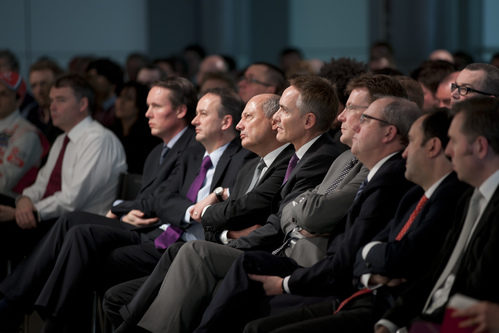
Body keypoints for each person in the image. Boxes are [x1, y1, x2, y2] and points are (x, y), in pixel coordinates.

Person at [130, 75, 374, 333]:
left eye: (284, 110)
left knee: (194, 253)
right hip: (272, 247)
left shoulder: (321, 156)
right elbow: (286, 213)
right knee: (179, 258)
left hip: (292, 257)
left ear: (308, 121)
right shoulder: (287, 159)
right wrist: (230, 228)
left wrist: (242, 231)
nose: (276, 118)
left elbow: (302, 215)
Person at [0, 88, 251, 332]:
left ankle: (43, 315)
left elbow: (221, 205)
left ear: (226, 121)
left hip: (183, 242)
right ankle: (48, 316)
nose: (194, 120)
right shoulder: (191, 155)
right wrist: (191, 211)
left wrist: (194, 210)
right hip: (160, 232)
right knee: (79, 234)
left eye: (203, 114)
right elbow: (161, 196)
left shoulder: (241, 159)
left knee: (83, 245)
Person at [194, 96, 421, 333]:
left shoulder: (384, 175)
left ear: (388, 133)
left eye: (362, 116)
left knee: (253, 318)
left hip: (342, 283)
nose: (344, 118)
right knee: (240, 268)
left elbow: (316, 218)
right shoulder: (349, 160)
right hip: (317, 265)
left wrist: (285, 283)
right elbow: (293, 210)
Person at [244, 109, 468, 333]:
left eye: (363, 117)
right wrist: (371, 268)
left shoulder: (400, 181)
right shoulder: (411, 193)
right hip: (357, 289)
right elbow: (369, 250)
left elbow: (393, 255)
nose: (405, 152)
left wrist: (368, 258)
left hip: (370, 299)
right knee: (253, 317)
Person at [103, 93, 294, 328]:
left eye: (248, 116)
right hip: (197, 244)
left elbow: (244, 210)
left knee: (183, 252)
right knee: (117, 294)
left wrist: (205, 214)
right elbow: (163, 197)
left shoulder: (274, 162)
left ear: (274, 122)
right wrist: (221, 219)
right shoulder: (250, 165)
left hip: (246, 255)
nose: (239, 124)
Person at [376, 97, 499, 333]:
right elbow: (438, 273)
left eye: (453, 141)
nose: (449, 151)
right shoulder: (469, 198)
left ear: (480, 147)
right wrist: (389, 322)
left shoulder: (463, 197)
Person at [0, 73, 126, 264]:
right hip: (53, 218)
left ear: (83, 104)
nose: (52, 106)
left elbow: (72, 199)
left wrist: (29, 210)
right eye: (51, 100)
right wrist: (24, 200)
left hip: (78, 227)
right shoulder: (61, 139)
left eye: (60, 100)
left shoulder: (97, 139)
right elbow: (41, 184)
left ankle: (12, 292)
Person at [0, 71, 44, 198]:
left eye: (3, 94)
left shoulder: (27, 133)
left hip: (12, 206)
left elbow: (3, 183)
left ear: (19, 99)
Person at [111, 81, 160, 174]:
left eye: (129, 98)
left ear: (139, 104)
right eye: (120, 96)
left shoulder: (148, 139)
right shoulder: (111, 132)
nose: (121, 102)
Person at [26, 58, 64, 143]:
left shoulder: (67, 115)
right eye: (34, 86)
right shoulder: (30, 115)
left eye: (43, 84)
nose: (39, 91)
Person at [85, 58, 124, 127]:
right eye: (90, 77)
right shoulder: (91, 107)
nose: (92, 81)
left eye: (97, 76)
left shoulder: (121, 108)